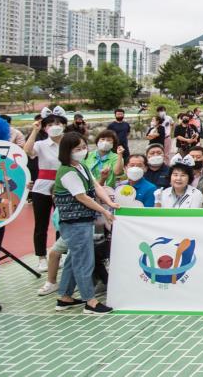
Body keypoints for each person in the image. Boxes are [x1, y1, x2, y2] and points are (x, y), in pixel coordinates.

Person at [52, 132, 119, 315]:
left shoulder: (81, 166)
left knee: (74, 259)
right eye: (77, 149)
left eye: (83, 147)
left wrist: (110, 203)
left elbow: (96, 186)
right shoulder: (67, 172)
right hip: (74, 222)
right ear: (67, 151)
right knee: (84, 261)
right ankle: (90, 302)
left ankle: (64, 297)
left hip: (83, 221)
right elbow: (81, 197)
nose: (82, 151)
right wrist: (104, 211)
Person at [23, 112, 67, 272]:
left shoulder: (69, 144)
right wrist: (34, 131)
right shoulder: (41, 144)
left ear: (64, 126)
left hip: (64, 187)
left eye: (58, 123)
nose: (54, 127)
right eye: (49, 124)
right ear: (45, 128)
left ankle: (59, 254)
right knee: (40, 224)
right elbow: (27, 151)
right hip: (42, 187)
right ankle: (41, 258)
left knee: (61, 222)